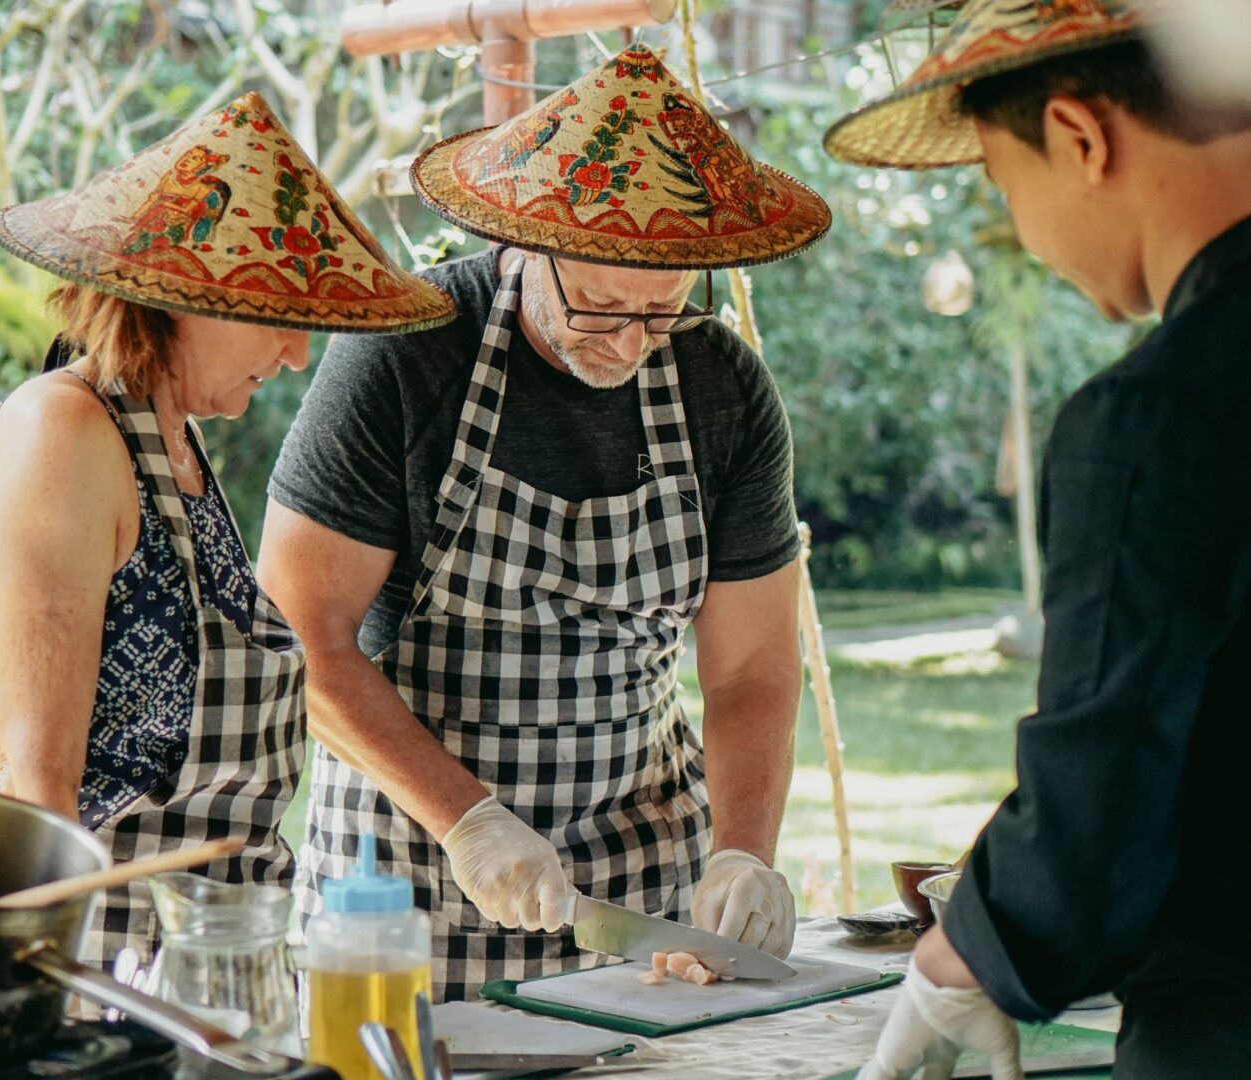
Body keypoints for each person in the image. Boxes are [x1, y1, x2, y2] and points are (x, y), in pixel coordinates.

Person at [258, 44, 833, 1001]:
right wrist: (469, 821)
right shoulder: (406, 354)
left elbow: (752, 668)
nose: (628, 345)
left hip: (645, 887)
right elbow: (300, 636)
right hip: (411, 885)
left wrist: (740, 855)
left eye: (659, 312)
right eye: (600, 307)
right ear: (519, 243)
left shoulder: (720, 384)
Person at [824, 1, 1251, 1077]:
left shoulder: (1161, 413)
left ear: (1078, 137)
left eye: (997, 184)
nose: (1018, 229)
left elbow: (1100, 796)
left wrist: (952, 961)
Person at [0, 91, 454, 969]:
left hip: (217, 963)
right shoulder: (64, 433)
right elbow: (34, 792)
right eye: (278, 316)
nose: (297, 353)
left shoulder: (175, 442)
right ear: (183, 299)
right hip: (103, 972)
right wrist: (50, 1023)